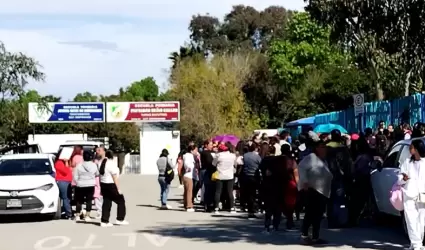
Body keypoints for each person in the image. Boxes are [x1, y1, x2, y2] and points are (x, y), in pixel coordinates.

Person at [299, 140, 333, 245]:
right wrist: (304, 181)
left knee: (318, 216)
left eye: (325, 147)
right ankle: (304, 235)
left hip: (322, 191)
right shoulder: (311, 157)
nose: (324, 149)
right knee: (310, 214)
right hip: (312, 189)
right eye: (322, 147)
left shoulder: (324, 160)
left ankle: (315, 237)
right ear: (316, 148)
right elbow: (301, 167)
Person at [398, 140, 425, 250]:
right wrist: (403, 179)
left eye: (411, 147)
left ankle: (417, 243)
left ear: (417, 149)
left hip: (422, 195)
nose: (410, 149)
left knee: (421, 221)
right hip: (409, 194)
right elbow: (399, 179)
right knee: (410, 220)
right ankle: (416, 244)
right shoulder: (407, 162)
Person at [98, 148, 128, 227]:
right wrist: (118, 189)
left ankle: (104, 221)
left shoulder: (100, 162)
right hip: (110, 185)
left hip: (103, 184)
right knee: (121, 200)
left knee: (107, 202)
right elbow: (115, 177)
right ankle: (120, 219)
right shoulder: (111, 164)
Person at [73, 150, 99, 221]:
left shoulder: (79, 165)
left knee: (79, 200)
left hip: (80, 185)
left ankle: (77, 215)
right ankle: (87, 215)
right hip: (90, 185)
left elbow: (75, 175)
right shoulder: (94, 165)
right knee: (89, 200)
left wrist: (78, 181)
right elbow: (97, 174)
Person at [212, 143, 237, 214]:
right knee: (230, 192)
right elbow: (235, 164)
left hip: (220, 175)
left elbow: (213, 164)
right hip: (230, 175)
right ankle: (232, 207)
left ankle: (216, 207)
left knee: (218, 191)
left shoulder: (218, 155)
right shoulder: (233, 156)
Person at [241, 142, 262, 219]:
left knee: (248, 194)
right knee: (253, 194)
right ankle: (254, 209)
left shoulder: (245, 156)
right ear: (255, 148)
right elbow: (261, 165)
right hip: (254, 176)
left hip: (246, 176)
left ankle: (250, 210)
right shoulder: (257, 156)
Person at [54, 151, 73, 219]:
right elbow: (66, 171)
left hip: (67, 181)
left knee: (68, 198)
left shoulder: (62, 163)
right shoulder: (59, 163)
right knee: (66, 198)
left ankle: (66, 211)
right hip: (63, 181)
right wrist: (66, 162)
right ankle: (68, 213)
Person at [200, 140, 215, 212]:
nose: (212, 146)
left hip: (211, 171)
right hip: (206, 171)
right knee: (208, 188)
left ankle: (210, 203)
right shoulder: (204, 153)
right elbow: (210, 162)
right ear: (206, 145)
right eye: (210, 145)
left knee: (211, 188)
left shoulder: (211, 152)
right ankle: (207, 204)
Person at [183, 145, 197, 212]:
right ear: (191, 150)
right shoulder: (189, 156)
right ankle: (189, 206)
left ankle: (186, 204)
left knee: (186, 191)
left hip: (186, 176)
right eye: (195, 150)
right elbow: (187, 164)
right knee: (189, 191)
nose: (196, 151)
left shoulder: (185, 155)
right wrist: (189, 168)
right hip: (189, 176)